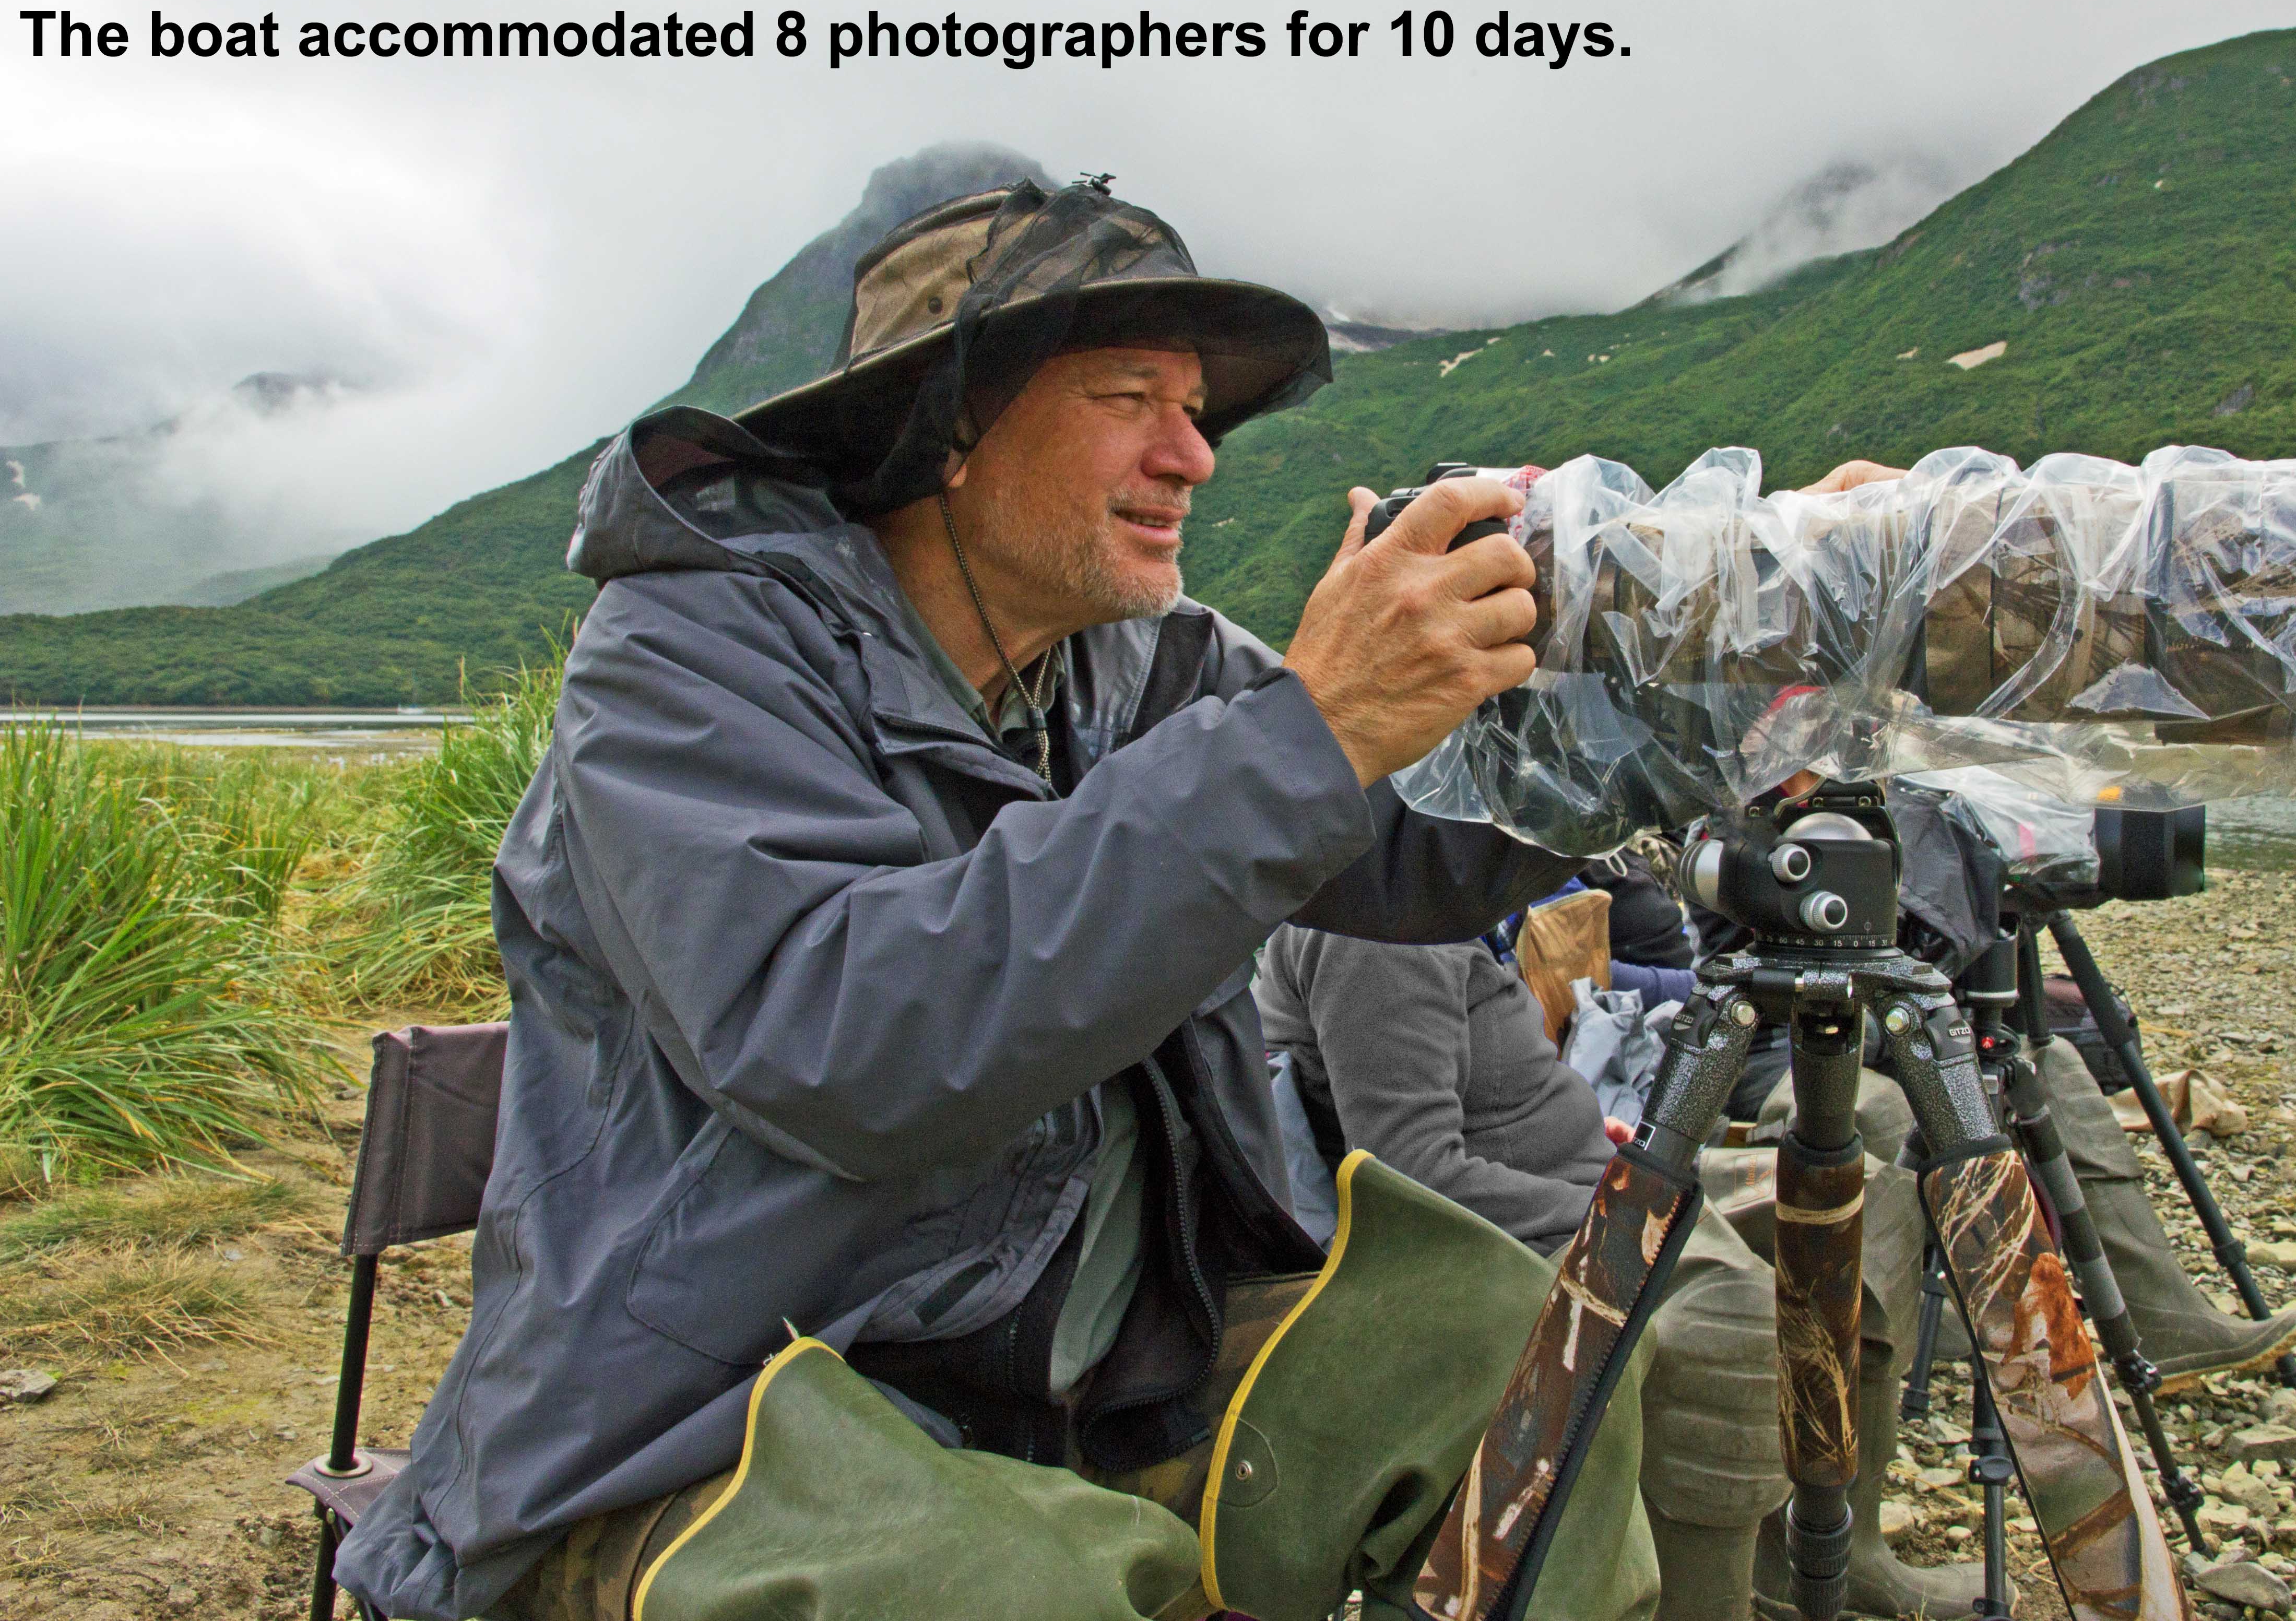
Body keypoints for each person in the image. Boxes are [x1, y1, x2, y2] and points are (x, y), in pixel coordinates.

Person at [332, 178, 1657, 1621]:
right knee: (1028, 1588)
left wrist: (1672, 694)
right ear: (948, 427)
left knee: (1530, 1353)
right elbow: (840, 1040)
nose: (1195, 455)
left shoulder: (1138, 667)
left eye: (1200, 408)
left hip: (1083, 1380)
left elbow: (1400, 847)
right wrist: (1308, 735)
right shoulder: (687, 658)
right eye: (1129, 396)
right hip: (715, 1415)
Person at [1254, 920, 1985, 1621]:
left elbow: (1488, 1102)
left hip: (1596, 1185)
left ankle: (1837, 1551)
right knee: (1731, 1321)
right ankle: (1703, 1601)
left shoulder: (1435, 915)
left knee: (1866, 1206)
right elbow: (1415, 1175)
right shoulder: (1382, 935)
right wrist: (1627, 1207)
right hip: (1537, 1232)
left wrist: (1608, 1141)